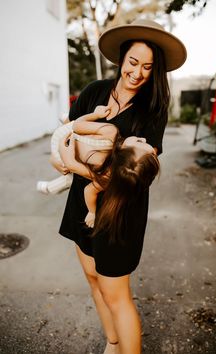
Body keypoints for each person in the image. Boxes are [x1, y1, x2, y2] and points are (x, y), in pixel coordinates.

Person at [53, 19, 187, 354]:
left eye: (147, 67)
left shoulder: (153, 109)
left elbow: (135, 174)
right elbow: (62, 142)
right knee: (94, 281)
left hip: (120, 211)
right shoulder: (94, 92)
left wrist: (75, 165)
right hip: (81, 205)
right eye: (132, 62)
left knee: (118, 296)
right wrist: (67, 162)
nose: (138, 73)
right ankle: (112, 343)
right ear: (121, 60)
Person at [38, 105, 159, 229]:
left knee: (74, 123)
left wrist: (96, 115)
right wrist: (92, 212)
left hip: (62, 137)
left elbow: (78, 125)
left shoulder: (110, 131)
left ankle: (65, 118)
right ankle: (48, 188)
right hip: (64, 158)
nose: (143, 138)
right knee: (71, 178)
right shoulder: (110, 176)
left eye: (139, 142)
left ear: (124, 149)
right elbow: (89, 190)